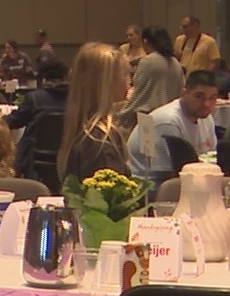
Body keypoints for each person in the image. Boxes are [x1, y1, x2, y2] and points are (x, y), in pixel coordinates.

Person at [58, 42, 132, 183]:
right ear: (107, 82)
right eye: (126, 74)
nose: (129, 81)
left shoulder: (84, 129)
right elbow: (112, 200)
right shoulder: (100, 141)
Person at [127, 70, 220, 178]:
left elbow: (211, 158)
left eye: (212, 98)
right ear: (184, 94)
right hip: (150, 184)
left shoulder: (206, 117)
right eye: (199, 97)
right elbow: (168, 173)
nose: (206, 104)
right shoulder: (167, 121)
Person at [119, 25, 184, 130]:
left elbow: (140, 93)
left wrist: (122, 115)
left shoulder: (148, 61)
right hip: (172, 117)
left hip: (149, 117)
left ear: (145, 42)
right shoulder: (175, 62)